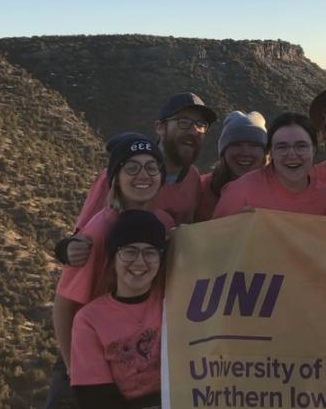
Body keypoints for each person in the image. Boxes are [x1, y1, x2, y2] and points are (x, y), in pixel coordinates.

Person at [49, 135, 174, 408]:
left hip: (145, 353)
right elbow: (63, 305)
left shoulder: (165, 223)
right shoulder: (100, 229)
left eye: (152, 167)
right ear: (115, 177)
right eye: (131, 168)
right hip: (93, 346)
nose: (143, 175)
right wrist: (74, 367)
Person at [60, 92, 217, 266]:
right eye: (183, 122)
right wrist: (67, 249)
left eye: (200, 125)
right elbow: (81, 237)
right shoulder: (120, 177)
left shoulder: (193, 178)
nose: (193, 131)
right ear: (160, 127)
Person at [70, 209, 167, 409]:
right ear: (113, 258)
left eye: (150, 252)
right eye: (130, 251)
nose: (140, 261)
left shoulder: (175, 301)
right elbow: (94, 398)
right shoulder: (89, 320)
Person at [212, 112, 326, 218]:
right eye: (282, 147)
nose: (292, 154)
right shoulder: (240, 192)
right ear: (271, 152)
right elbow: (215, 242)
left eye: (301, 146)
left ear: (314, 150)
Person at [195, 110, 268, 222]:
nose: (245, 152)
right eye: (237, 145)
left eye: (254, 145)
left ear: (264, 153)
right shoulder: (201, 188)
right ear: (224, 151)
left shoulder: (278, 188)